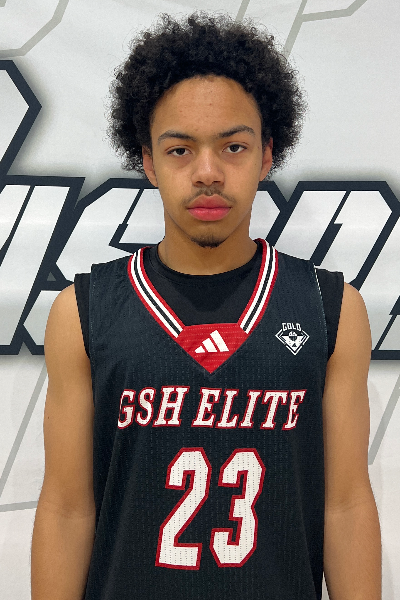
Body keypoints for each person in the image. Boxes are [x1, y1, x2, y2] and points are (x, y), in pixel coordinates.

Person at [31, 12, 381, 600]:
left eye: (233, 146)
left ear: (267, 155)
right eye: (180, 149)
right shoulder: (83, 312)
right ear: (147, 160)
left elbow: (344, 505)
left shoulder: (331, 309)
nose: (208, 173)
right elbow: (67, 509)